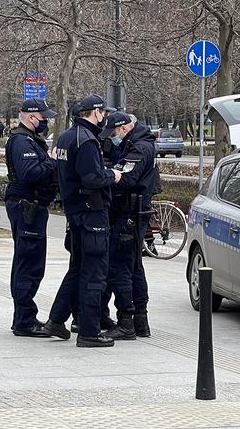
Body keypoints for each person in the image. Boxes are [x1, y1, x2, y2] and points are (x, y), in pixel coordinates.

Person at [43, 94, 122, 348]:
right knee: (93, 273)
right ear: (96, 113)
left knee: (77, 269)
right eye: (104, 113)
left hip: (76, 213)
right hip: (91, 214)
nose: (105, 118)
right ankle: (88, 331)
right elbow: (91, 178)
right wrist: (113, 175)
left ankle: (56, 320)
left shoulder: (67, 137)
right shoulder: (87, 140)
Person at [100, 112, 157, 339]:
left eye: (114, 133)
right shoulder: (135, 143)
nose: (113, 137)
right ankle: (140, 321)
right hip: (133, 213)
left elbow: (127, 178)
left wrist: (106, 174)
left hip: (130, 215)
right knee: (134, 267)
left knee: (119, 265)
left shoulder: (139, 148)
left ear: (123, 128)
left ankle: (126, 320)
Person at [4, 98, 58, 337]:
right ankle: (25, 320)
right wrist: (52, 162)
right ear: (30, 117)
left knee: (28, 262)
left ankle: (22, 317)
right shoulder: (21, 141)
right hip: (28, 208)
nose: (45, 121)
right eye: (43, 117)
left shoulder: (30, 140)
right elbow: (30, 174)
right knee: (29, 263)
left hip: (32, 207)